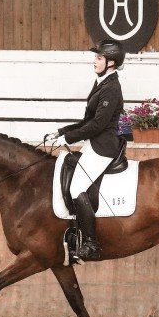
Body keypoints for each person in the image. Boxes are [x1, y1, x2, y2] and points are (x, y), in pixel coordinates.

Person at [48, 39, 126, 260]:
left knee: (76, 189)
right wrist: (61, 131)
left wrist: (69, 137)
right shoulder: (102, 82)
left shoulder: (111, 88)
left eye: (99, 58)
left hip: (103, 147)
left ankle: (91, 243)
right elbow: (88, 119)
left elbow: (98, 125)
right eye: (96, 57)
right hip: (93, 143)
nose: (95, 61)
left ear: (111, 63)